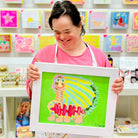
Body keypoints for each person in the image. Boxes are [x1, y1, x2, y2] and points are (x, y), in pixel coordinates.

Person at [26, 0, 124, 138]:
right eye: (57, 32)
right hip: (52, 130)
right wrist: (32, 80)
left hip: (88, 130)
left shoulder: (98, 57)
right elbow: (34, 95)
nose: (62, 37)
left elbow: (107, 98)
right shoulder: (43, 56)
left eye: (67, 31)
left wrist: (117, 86)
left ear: (79, 25)